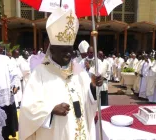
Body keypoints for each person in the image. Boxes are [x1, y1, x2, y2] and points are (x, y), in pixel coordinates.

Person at [19, 8, 103, 140]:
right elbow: (27, 109)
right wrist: (51, 110)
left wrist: (93, 86)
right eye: (63, 50)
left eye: (70, 49)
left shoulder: (78, 71)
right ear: (52, 50)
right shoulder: (39, 73)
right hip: (55, 133)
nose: (68, 54)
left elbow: (89, 102)